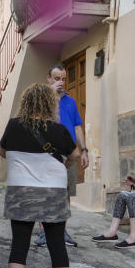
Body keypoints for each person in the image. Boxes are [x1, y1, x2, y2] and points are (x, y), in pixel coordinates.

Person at [0, 83, 80, 268]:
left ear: (26, 102)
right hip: (52, 193)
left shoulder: (13, 126)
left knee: (19, 244)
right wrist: (65, 163)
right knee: (57, 244)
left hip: (21, 193)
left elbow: (2, 152)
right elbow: (75, 154)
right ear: (49, 104)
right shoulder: (58, 129)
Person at [34, 64, 89, 248]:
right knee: (46, 192)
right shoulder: (42, 100)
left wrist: (84, 150)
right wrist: (51, 94)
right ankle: (43, 231)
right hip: (47, 152)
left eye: (63, 79)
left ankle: (61, 230)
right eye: (57, 78)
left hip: (69, 153)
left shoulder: (70, 101)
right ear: (49, 78)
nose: (61, 82)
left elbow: (77, 126)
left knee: (65, 193)